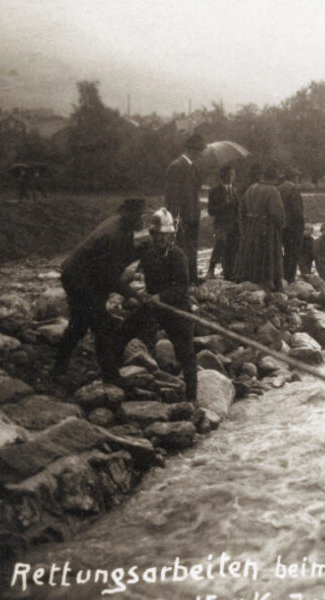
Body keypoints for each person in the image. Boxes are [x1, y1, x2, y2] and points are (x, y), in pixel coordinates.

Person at [52, 198, 146, 381]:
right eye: (140, 215)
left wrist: (141, 250)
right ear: (132, 215)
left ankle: (58, 368)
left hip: (83, 277)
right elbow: (109, 276)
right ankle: (110, 376)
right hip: (80, 281)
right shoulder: (115, 234)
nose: (142, 219)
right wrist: (133, 295)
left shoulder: (120, 224)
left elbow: (120, 257)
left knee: (79, 325)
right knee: (101, 327)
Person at [116, 208, 197, 402]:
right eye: (158, 235)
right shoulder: (147, 252)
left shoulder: (178, 256)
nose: (162, 239)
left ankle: (192, 398)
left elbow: (181, 288)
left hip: (176, 309)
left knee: (186, 353)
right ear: (152, 234)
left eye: (165, 235)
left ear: (171, 236)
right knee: (122, 333)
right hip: (152, 305)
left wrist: (161, 297)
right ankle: (113, 377)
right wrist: (128, 286)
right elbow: (129, 267)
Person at [164, 133, 206, 284]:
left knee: (191, 247)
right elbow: (172, 197)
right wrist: (175, 217)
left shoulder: (192, 166)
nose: (202, 154)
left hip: (193, 215)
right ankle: (183, 279)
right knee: (181, 248)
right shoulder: (177, 166)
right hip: (183, 216)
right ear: (193, 150)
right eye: (201, 150)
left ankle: (192, 277)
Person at [236, 166, 285, 291]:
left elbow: (241, 208)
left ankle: (250, 278)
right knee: (267, 253)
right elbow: (277, 213)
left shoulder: (251, 188)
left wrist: (247, 222)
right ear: (274, 178)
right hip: (266, 227)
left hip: (251, 226)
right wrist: (281, 226)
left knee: (251, 251)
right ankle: (267, 281)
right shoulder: (272, 191)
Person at [206, 166, 241, 280]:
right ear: (223, 176)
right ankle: (211, 269)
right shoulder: (215, 191)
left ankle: (229, 272)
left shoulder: (234, 190)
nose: (231, 177)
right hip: (221, 224)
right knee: (220, 244)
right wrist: (223, 205)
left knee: (233, 248)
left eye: (233, 175)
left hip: (234, 224)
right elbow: (211, 211)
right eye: (229, 175)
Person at [279, 167, 306, 282]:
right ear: (293, 177)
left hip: (282, 226)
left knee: (285, 252)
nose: (298, 178)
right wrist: (302, 221)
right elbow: (297, 210)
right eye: (297, 176)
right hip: (294, 227)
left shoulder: (279, 188)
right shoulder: (293, 189)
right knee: (293, 252)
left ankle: (283, 275)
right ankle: (290, 277)